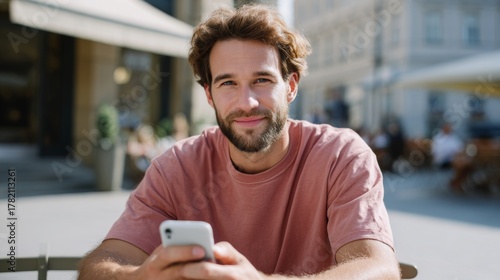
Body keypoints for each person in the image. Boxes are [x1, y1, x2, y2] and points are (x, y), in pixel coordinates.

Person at [78, 4, 400, 279]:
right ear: (209, 95)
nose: (246, 102)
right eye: (228, 83)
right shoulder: (176, 167)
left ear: (291, 86)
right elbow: (97, 266)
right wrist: (141, 275)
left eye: (261, 80)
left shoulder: (340, 156)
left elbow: (378, 268)